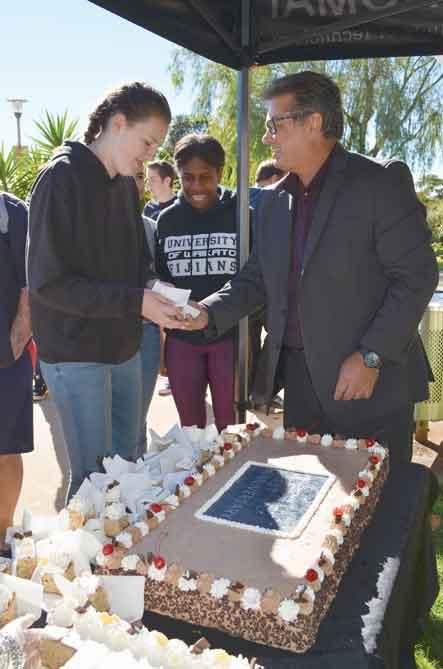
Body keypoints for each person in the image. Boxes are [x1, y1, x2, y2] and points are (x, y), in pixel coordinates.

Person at [186, 71, 438, 469]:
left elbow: (417, 276)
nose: (266, 137)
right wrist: (206, 312)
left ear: (314, 122)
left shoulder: (380, 181)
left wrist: (371, 356)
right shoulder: (271, 201)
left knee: (381, 501)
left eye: (275, 125)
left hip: (370, 384)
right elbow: (257, 278)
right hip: (301, 388)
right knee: (317, 501)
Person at [27, 82, 186, 501]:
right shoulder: (60, 178)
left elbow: (138, 265)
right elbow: (48, 283)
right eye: (147, 142)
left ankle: (128, 544)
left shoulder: (125, 186)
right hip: (75, 353)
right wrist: (136, 300)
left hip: (124, 348)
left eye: (156, 147)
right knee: (94, 483)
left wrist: (156, 289)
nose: (150, 155)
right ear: (117, 123)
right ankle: (87, 547)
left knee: (129, 466)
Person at [156, 134, 237, 432]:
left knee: (231, 428)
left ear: (220, 173)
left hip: (229, 339)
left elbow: (254, 281)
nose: (197, 186)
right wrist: (164, 346)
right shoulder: (167, 221)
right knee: (190, 429)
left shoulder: (242, 216)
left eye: (205, 177)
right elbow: (161, 282)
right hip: (182, 341)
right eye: (188, 178)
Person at [0, 192, 33, 552]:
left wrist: (15, 342)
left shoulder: (11, 213)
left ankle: (2, 533)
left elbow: (31, 284)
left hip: (5, 359)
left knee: (5, 450)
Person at [248, 160, 285, 412]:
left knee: (248, 341)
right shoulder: (276, 200)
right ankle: (262, 393)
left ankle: (249, 392)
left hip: (246, 286)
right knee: (275, 341)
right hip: (271, 286)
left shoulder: (242, 200)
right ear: (275, 178)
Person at [144, 160, 178, 397]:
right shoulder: (148, 209)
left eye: (152, 180)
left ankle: (175, 375)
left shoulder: (180, 207)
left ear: (168, 180)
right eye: (146, 180)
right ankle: (168, 374)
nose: (149, 185)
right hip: (154, 277)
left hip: (174, 277)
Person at [134, 170, 161, 457]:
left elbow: (157, 278)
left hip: (146, 334)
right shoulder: (89, 226)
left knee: (136, 422)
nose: (134, 183)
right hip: (102, 337)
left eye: (139, 177)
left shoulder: (151, 228)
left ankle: (136, 475)